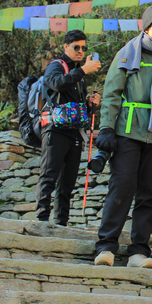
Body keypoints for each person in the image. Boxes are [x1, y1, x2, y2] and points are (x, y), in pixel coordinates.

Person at [93, 4, 152, 268]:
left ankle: (139, 251)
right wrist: (106, 128)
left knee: (149, 195)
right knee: (121, 188)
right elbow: (112, 93)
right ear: (147, 27)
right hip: (128, 132)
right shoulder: (127, 54)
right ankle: (106, 246)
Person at [35, 30, 101, 226]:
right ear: (65, 47)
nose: (80, 51)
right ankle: (41, 219)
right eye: (76, 47)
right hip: (54, 130)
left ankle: (61, 222)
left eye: (83, 48)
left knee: (68, 182)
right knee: (49, 174)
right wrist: (83, 71)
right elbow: (55, 83)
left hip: (74, 132)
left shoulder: (78, 73)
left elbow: (74, 105)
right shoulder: (56, 66)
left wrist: (89, 104)